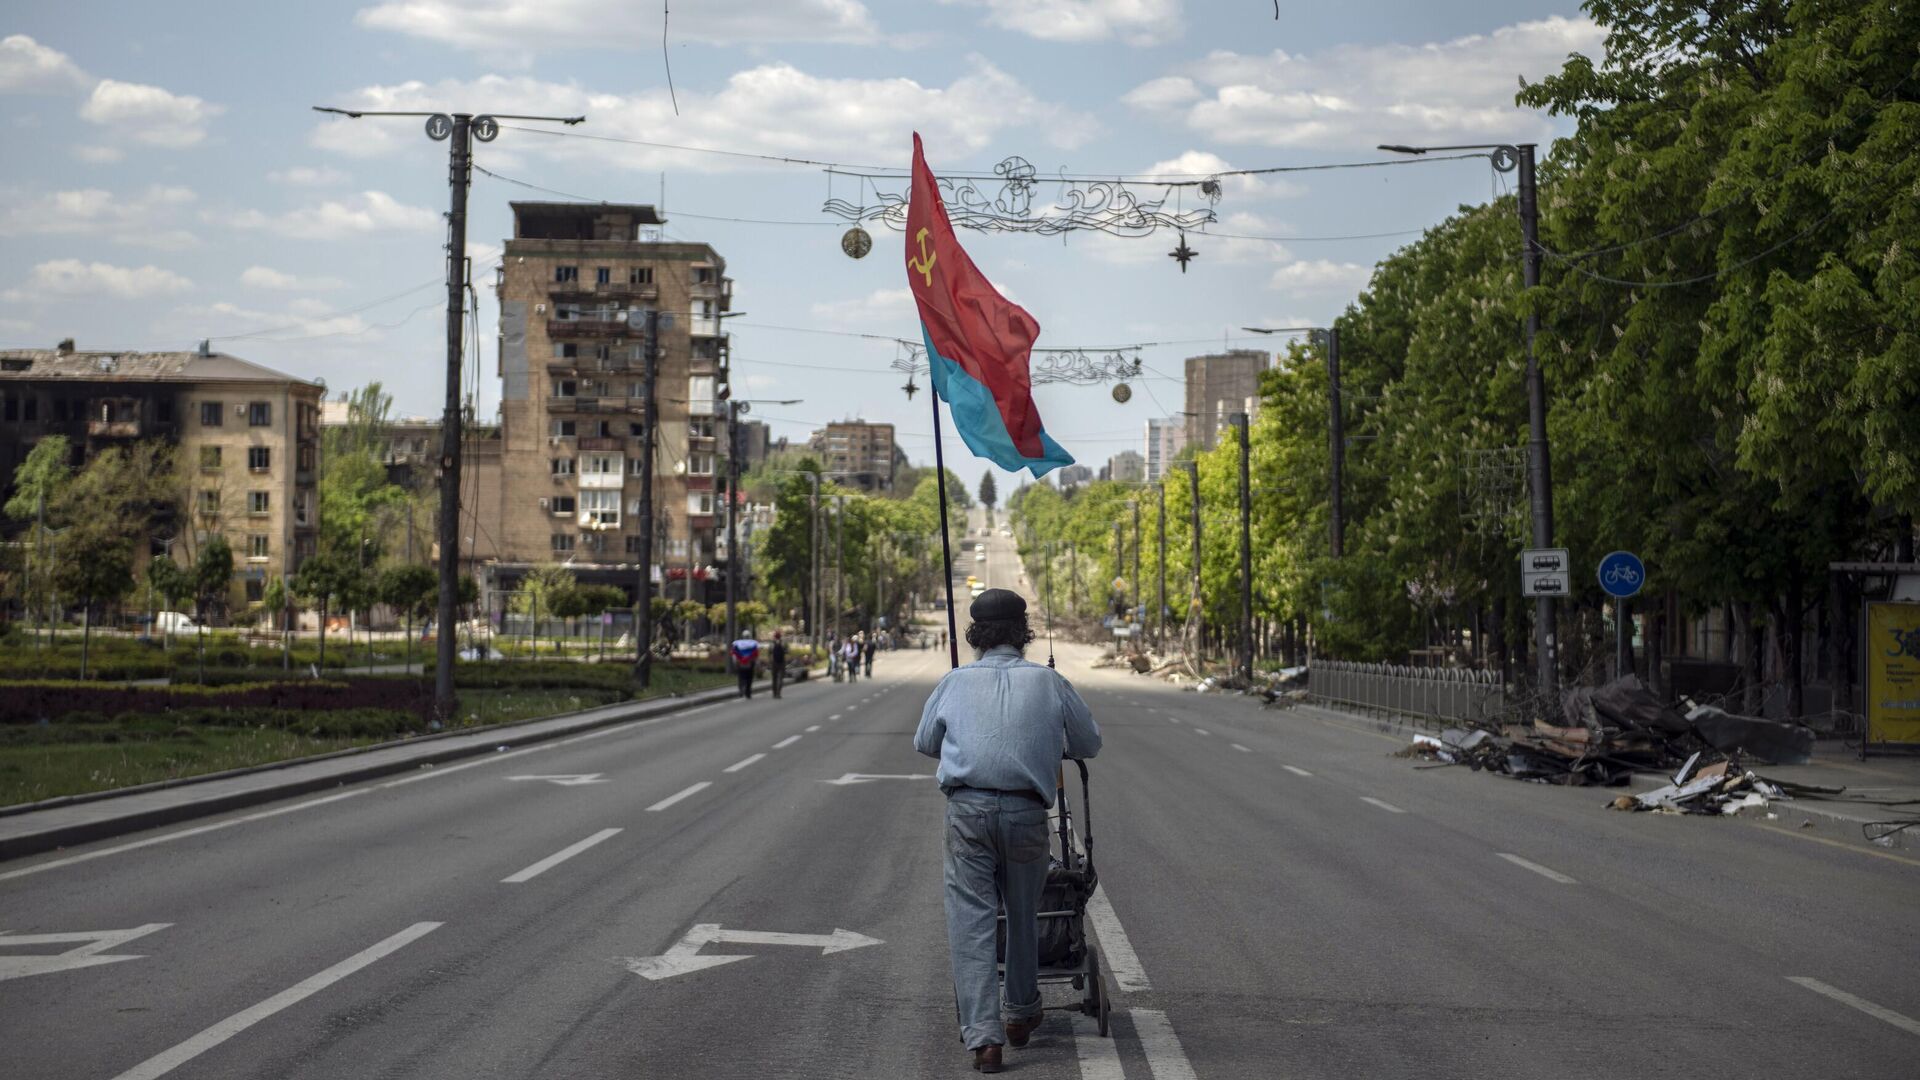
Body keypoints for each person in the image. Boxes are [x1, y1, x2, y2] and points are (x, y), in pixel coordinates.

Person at [913, 589, 1101, 1073]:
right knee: (1023, 914)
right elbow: (1088, 742)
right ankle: (1020, 1013)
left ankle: (984, 1038)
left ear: (975, 635)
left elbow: (924, 742)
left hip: (967, 812)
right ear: (1023, 633)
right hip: (1025, 813)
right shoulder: (1049, 681)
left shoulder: (955, 681)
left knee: (971, 921)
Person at [768, 630, 788, 699]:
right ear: (780, 637)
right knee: (781, 678)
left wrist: (769, 661)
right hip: (782, 662)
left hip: (774, 662)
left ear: (774, 636)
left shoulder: (772, 643)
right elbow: (787, 651)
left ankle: (774, 693)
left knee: (774, 679)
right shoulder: (783, 643)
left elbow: (769, 652)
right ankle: (778, 693)